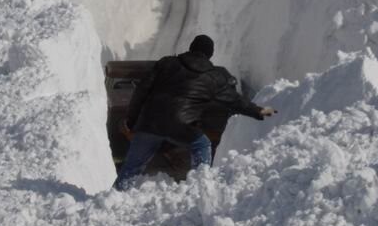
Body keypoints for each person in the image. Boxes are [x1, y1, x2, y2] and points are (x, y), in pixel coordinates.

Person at [114, 35, 276, 190]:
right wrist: (259, 111)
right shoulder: (214, 76)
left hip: (149, 123)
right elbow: (236, 101)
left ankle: (118, 198)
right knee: (203, 144)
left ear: (190, 48)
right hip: (181, 127)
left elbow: (141, 91)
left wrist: (132, 120)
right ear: (210, 55)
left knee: (131, 167)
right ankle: (200, 187)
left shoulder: (166, 63)